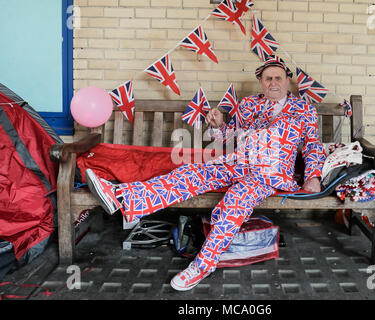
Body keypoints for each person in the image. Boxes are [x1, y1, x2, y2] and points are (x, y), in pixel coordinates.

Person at [85, 55, 326, 291]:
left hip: (268, 174)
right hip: (237, 162)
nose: (273, 83)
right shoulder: (249, 104)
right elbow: (229, 138)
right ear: (261, 82)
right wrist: (219, 124)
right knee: (189, 174)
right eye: (268, 78)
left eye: (278, 78)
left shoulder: (303, 110)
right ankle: (121, 197)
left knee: (236, 200)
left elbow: (313, 145)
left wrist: (312, 176)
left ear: (287, 81)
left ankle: (203, 265)